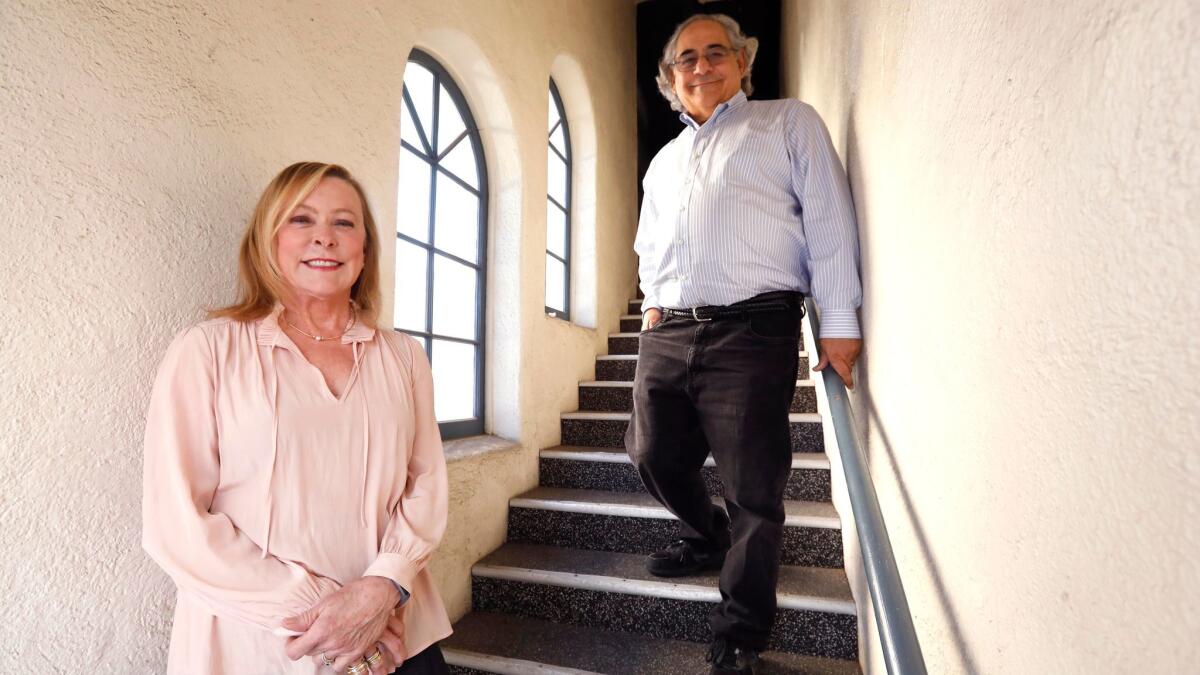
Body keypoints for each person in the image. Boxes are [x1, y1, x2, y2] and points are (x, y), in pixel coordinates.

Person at [142, 162, 451, 674]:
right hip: (259, 643)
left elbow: (427, 484)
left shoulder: (403, 357)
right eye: (301, 220)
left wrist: (381, 588)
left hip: (394, 635)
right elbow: (176, 523)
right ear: (268, 240)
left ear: (366, 248)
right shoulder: (208, 352)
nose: (324, 239)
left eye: (344, 223)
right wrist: (331, 613)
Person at [626, 13, 864, 675]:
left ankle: (740, 635)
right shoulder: (665, 161)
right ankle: (707, 534)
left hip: (754, 326)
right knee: (648, 451)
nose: (702, 66)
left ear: (742, 60)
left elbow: (828, 217)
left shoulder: (787, 122)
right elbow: (651, 243)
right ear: (671, 80)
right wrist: (650, 304)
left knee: (753, 488)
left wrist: (839, 320)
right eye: (687, 60)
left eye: (715, 53)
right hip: (669, 326)